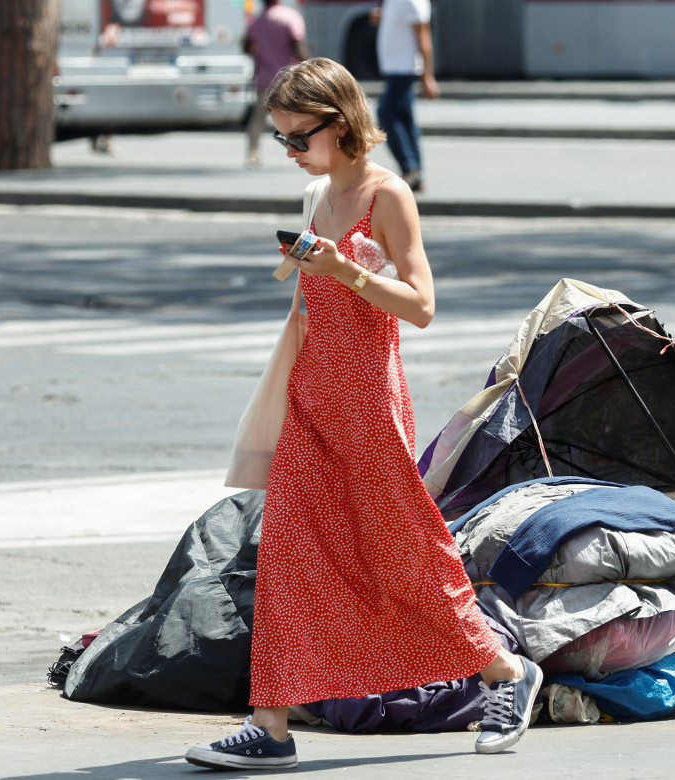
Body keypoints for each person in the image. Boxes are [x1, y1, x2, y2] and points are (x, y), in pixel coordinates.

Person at [184, 58, 542, 770]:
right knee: (287, 556)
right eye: (281, 138)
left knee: (407, 552)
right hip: (312, 396)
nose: (288, 151)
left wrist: (347, 271)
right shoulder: (319, 196)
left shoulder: (388, 195)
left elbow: (423, 306)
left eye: (297, 137)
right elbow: (309, 308)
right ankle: (272, 725)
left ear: (339, 125)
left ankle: (504, 669)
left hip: (371, 403)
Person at [373, 0, 439, 191]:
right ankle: (415, 172)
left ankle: (410, 168)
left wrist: (428, 77)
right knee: (405, 119)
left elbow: (424, 37)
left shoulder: (412, 1)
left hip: (405, 69)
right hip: (395, 68)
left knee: (385, 114)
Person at [243, 0, 309, 169]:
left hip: (265, 78)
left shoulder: (257, 21)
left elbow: (246, 45)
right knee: (299, 117)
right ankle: (303, 151)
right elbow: (298, 46)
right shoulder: (290, 16)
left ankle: (253, 152)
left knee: (258, 118)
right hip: (288, 79)